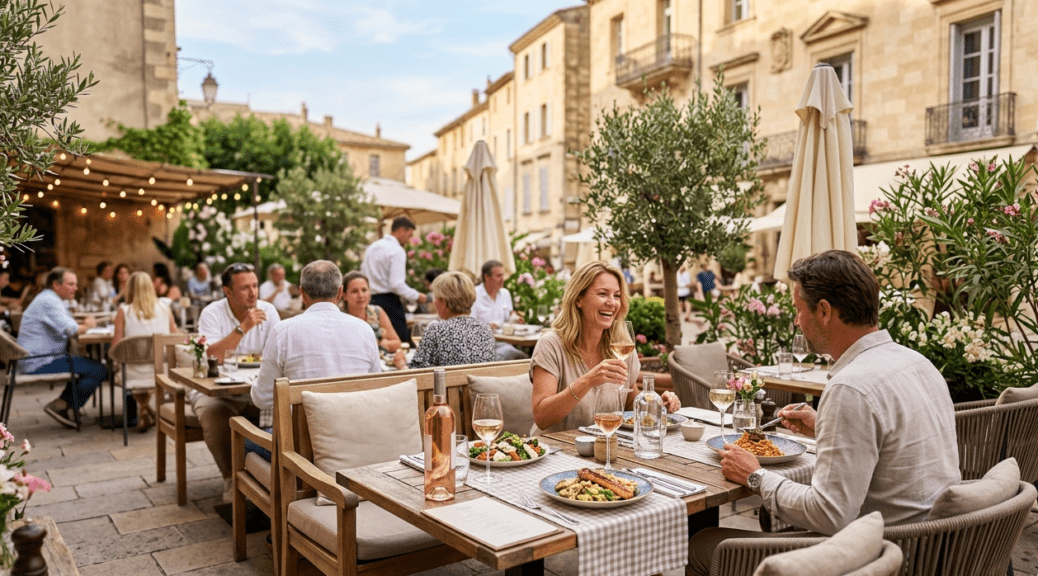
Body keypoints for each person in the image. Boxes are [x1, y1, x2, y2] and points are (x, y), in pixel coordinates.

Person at [687, 250, 960, 575]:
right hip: (935, 547)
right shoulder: (918, 363)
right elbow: (897, 446)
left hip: (880, 557)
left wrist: (755, 475)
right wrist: (824, 427)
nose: (796, 320)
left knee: (701, 544)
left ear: (825, 311)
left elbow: (830, 514)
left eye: (799, 310)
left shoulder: (851, 388)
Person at [249, 261, 382, 460]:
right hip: (355, 442)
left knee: (244, 437)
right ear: (339, 293)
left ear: (302, 294)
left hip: (301, 451)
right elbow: (375, 389)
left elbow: (261, 399)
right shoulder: (364, 330)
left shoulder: (283, 332)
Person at [529, 261, 680, 434]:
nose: (612, 303)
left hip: (603, 448)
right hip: (555, 451)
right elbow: (541, 417)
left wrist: (656, 404)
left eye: (616, 296)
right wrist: (588, 380)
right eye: (602, 294)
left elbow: (630, 402)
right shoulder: (551, 344)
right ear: (578, 298)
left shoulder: (621, 346)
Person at [194, 262, 280, 501]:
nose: (253, 293)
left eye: (255, 286)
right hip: (219, 391)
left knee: (286, 407)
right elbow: (211, 357)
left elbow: (277, 353)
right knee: (212, 412)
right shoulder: (212, 312)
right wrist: (243, 327)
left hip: (256, 388)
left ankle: (266, 479)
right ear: (228, 291)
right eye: (245, 288)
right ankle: (231, 477)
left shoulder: (269, 311)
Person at [17, 267, 107, 429]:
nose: (76, 288)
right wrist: (88, 324)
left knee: (87, 365)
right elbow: (74, 330)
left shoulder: (50, 299)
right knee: (98, 369)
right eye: (71, 284)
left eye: (75, 284)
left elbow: (69, 325)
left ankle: (66, 406)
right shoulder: (49, 301)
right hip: (38, 360)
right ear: (56, 285)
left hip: (39, 357)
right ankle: (63, 406)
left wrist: (82, 325)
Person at [112, 272, 177, 432]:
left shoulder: (124, 311)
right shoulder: (165, 308)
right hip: (162, 372)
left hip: (133, 374)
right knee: (147, 372)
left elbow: (115, 348)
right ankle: (146, 409)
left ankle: (143, 409)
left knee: (120, 367)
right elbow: (175, 338)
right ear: (151, 287)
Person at [397, 271, 494, 369]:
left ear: (443, 301)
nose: (434, 302)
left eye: (436, 297)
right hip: (476, 383)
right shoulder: (485, 329)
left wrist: (401, 363)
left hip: (449, 384)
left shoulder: (437, 329)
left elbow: (417, 374)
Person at [360, 216, 426, 344]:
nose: (409, 239)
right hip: (389, 303)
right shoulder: (397, 250)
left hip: (369, 301)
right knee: (399, 343)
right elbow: (396, 284)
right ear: (401, 230)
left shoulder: (371, 248)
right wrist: (417, 296)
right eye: (409, 234)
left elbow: (363, 275)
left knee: (376, 342)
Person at [471, 259, 528, 361]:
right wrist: (487, 326)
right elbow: (470, 323)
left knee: (521, 356)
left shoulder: (505, 293)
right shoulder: (474, 294)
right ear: (486, 277)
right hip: (483, 343)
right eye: (498, 276)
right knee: (517, 355)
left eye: (503, 275)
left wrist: (516, 319)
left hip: (504, 341)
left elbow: (509, 318)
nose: (502, 279)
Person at [342, 271, 403, 356]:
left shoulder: (377, 312)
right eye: (355, 291)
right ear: (344, 295)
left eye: (364, 290)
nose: (361, 295)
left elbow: (397, 343)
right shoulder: (339, 316)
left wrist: (385, 344)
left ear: (369, 292)